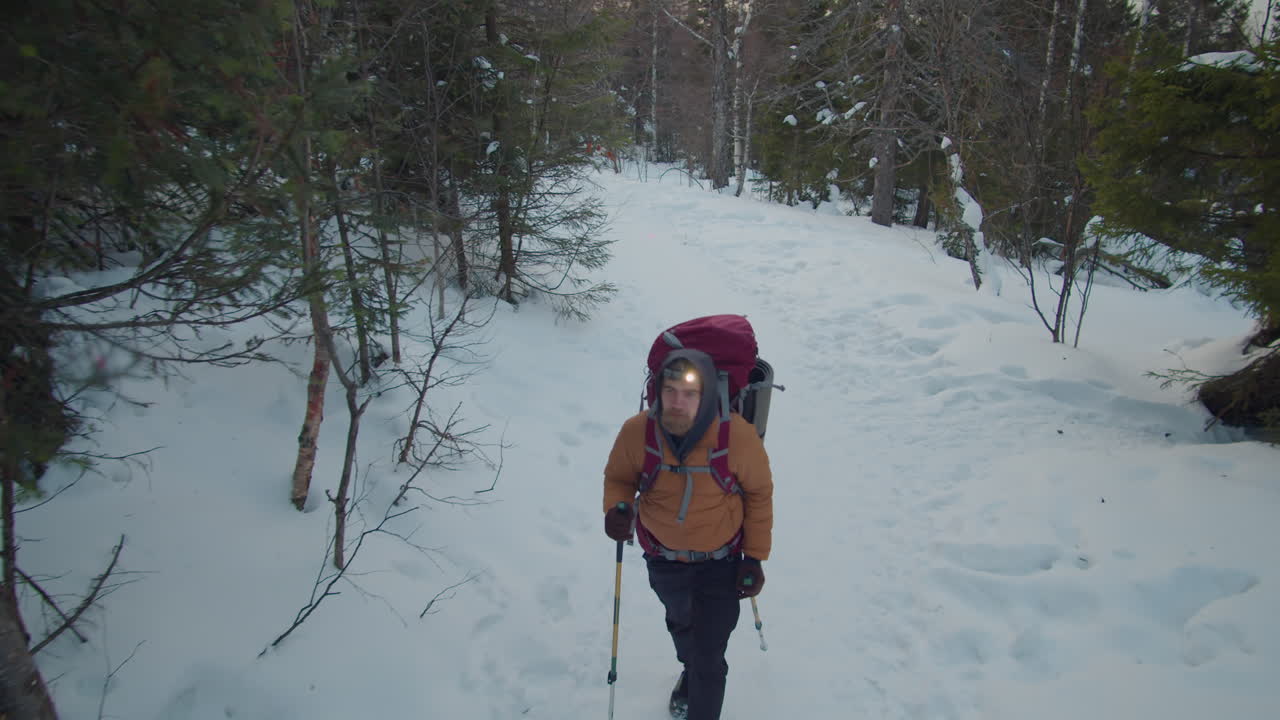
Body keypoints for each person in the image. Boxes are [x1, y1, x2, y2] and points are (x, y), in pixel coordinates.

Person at [602, 350, 774, 720]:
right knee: (681, 626)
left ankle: (698, 683)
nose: (678, 402)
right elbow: (619, 478)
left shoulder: (736, 438)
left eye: (690, 393)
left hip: (721, 564)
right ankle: (688, 667)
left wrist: (755, 559)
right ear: (657, 392)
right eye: (670, 390)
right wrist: (615, 510)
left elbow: (759, 494)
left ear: (708, 395)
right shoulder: (638, 432)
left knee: (710, 658)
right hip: (662, 560)